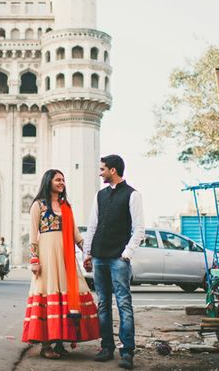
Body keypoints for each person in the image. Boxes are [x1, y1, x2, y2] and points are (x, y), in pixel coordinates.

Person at [22, 169, 100, 359]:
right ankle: (46, 345)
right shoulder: (38, 205)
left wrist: (87, 252)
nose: (61, 182)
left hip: (66, 258)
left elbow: (75, 235)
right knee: (49, 294)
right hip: (48, 257)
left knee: (69, 295)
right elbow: (33, 235)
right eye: (58, 179)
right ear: (48, 181)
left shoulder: (66, 206)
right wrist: (34, 260)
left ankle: (60, 341)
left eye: (63, 180)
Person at [83, 154, 145, 369]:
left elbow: (139, 229)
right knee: (103, 304)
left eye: (102, 169)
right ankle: (106, 347)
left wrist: (127, 254)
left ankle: (127, 351)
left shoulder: (132, 195)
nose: (100, 173)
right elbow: (93, 226)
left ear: (113, 170)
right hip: (99, 257)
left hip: (118, 258)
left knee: (124, 304)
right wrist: (87, 254)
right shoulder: (100, 195)